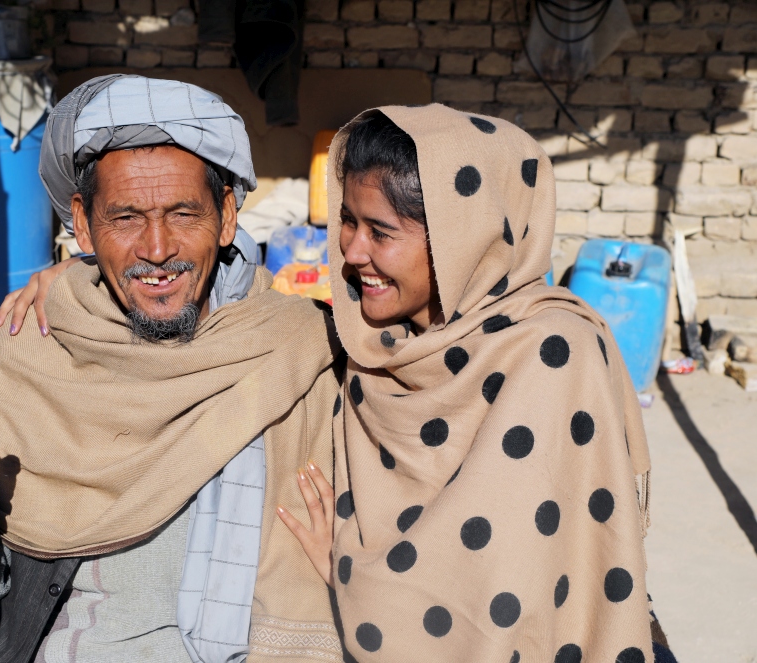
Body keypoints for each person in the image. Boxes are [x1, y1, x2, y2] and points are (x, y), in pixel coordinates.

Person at [0, 75, 345, 663]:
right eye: (124, 218)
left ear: (227, 216)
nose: (156, 248)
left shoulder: (299, 350)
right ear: (82, 222)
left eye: (184, 213)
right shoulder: (29, 343)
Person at [277, 106, 662, 662]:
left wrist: (353, 580)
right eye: (349, 221)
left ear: (463, 239)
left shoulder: (554, 355)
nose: (352, 253)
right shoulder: (370, 342)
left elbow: (506, 589)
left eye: (380, 232)